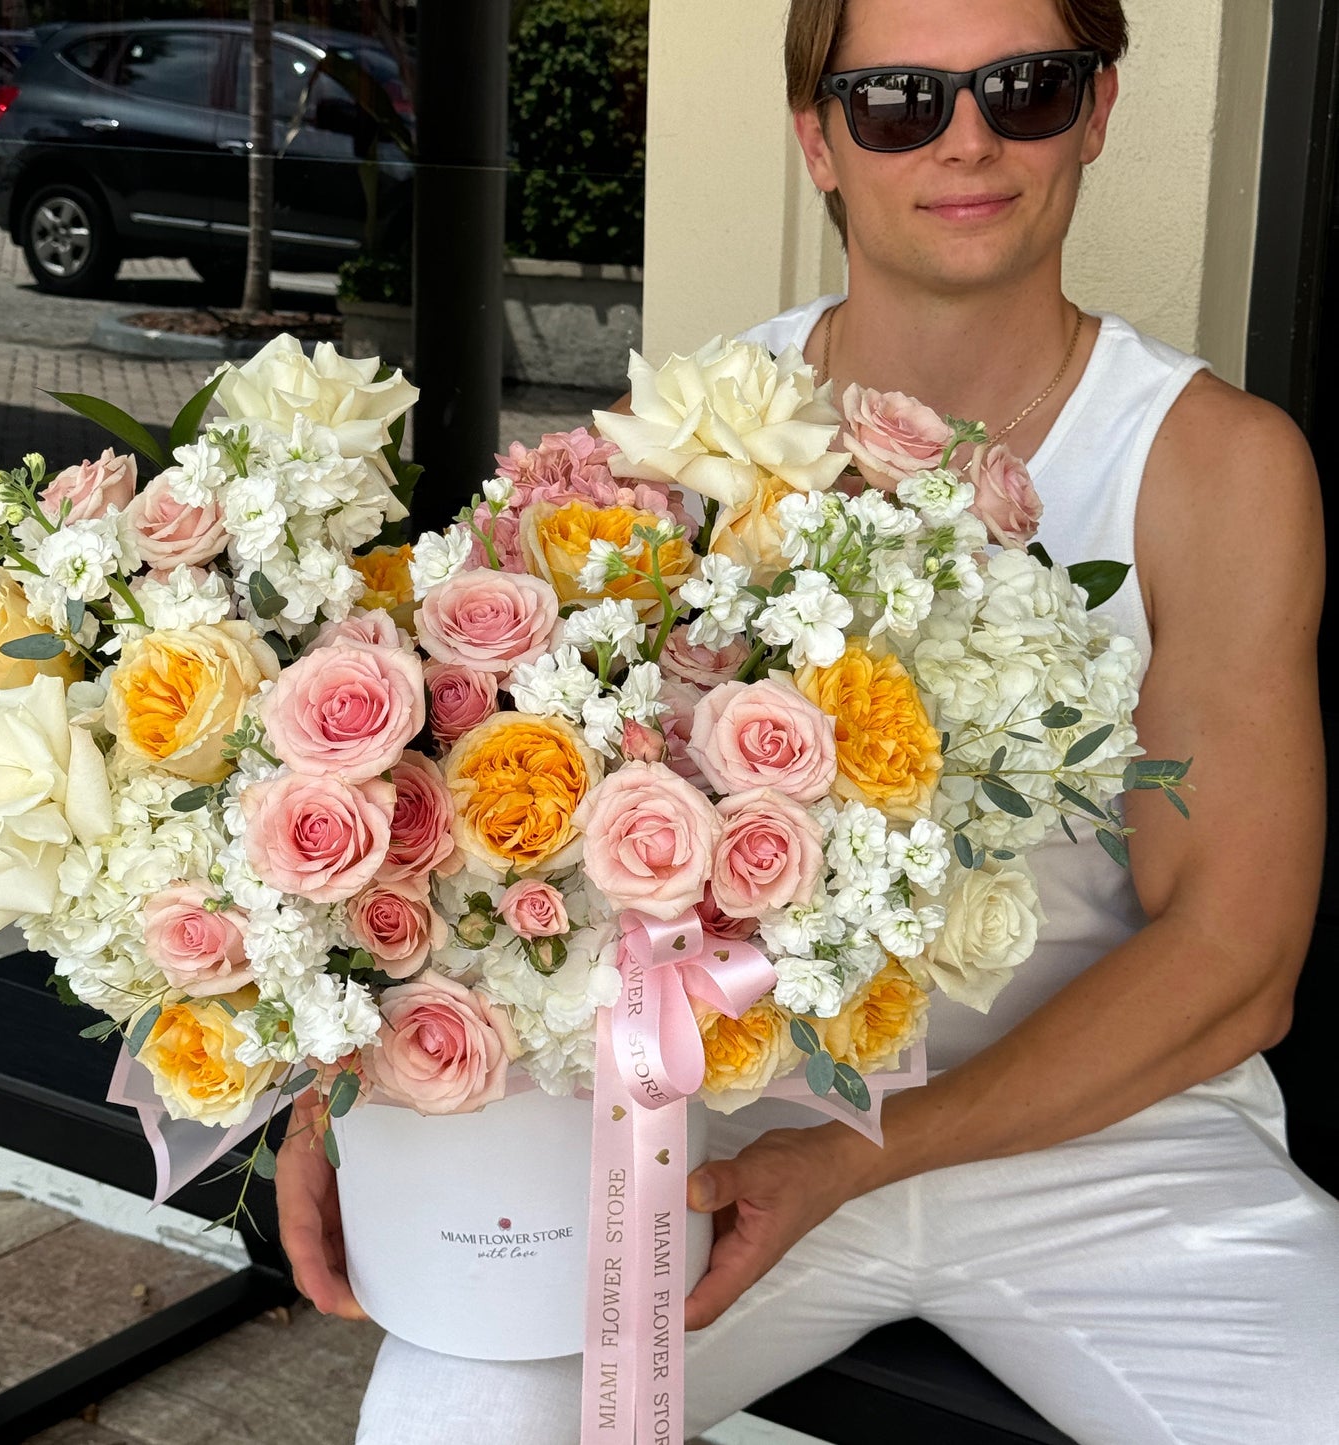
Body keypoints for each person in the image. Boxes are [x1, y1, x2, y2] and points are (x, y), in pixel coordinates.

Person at [277, 1, 1339, 1441]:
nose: (966, 137)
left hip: (1114, 1137)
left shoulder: (1207, 465)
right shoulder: (691, 435)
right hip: (730, 1114)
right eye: (898, 99)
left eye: (1024, 88)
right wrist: (355, 1081)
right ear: (816, 140)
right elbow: (492, 826)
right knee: (446, 1422)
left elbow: (1231, 955)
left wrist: (871, 1159)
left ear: (1094, 111)